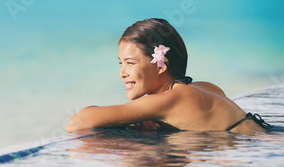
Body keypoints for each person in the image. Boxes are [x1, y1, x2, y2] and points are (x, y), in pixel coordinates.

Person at [66, 18, 271, 134]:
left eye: (130, 63)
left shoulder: (166, 101)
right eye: (121, 64)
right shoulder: (207, 87)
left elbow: (76, 123)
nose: (122, 73)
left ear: (161, 65)